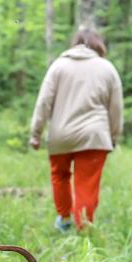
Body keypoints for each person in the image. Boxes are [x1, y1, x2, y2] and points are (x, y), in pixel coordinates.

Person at [29, 28, 123, 231]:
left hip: (60, 135)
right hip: (94, 136)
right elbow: (116, 107)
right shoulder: (107, 68)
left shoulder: (59, 66)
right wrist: (114, 136)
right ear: (99, 44)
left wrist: (36, 134)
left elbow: (43, 102)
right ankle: (84, 228)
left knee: (60, 176)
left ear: (75, 43)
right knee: (86, 183)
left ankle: (64, 219)